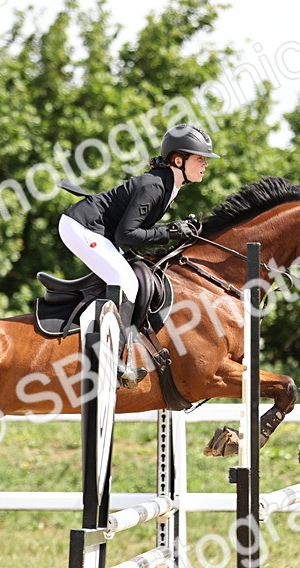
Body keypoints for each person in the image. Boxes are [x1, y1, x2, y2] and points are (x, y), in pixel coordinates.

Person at [59, 122, 220, 387]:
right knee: (126, 281)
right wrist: (169, 230)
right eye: (200, 158)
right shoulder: (155, 185)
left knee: (133, 274)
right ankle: (112, 358)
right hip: (81, 227)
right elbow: (127, 235)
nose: (205, 164)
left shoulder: (168, 185)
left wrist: (175, 230)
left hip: (100, 232)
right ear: (178, 160)